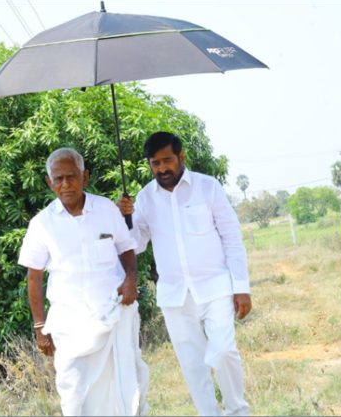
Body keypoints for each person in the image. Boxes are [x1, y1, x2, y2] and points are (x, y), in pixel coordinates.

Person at [118, 131, 252, 416]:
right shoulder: (144, 198)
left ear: (181, 157)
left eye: (167, 160)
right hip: (175, 296)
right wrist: (125, 218)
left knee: (224, 351)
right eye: (155, 163)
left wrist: (242, 287)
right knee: (193, 365)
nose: (162, 169)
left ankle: (238, 410)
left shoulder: (208, 187)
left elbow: (231, 236)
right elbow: (137, 245)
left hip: (216, 287)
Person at [18, 147, 149, 416]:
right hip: (70, 326)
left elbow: (126, 248)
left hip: (113, 316)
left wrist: (131, 280)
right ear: (49, 182)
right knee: (74, 396)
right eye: (58, 179)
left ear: (85, 176)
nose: (65, 184)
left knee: (124, 389)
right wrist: (40, 326)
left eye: (71, 176)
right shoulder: (41, 224)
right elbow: (34, 277)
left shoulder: (106, 210)